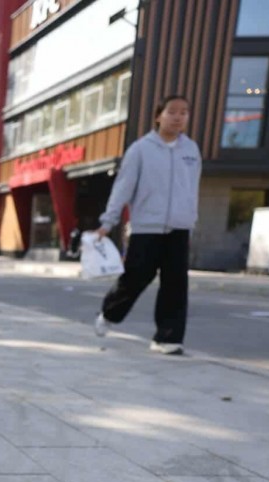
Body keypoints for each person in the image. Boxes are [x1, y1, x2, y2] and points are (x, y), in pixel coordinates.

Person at [93, 95, 201, 356]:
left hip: (179, 228)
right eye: (172, 112)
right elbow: (123, 188)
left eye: (184, 112)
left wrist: (190, 218)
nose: (178, 117)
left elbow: (192, 188)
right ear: (158, 116)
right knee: (136, 277)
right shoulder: (140, 149)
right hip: (146, 228)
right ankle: (110, 313)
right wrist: (108, 222)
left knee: (175, 284)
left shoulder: (191, 150)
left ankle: (168, 338)